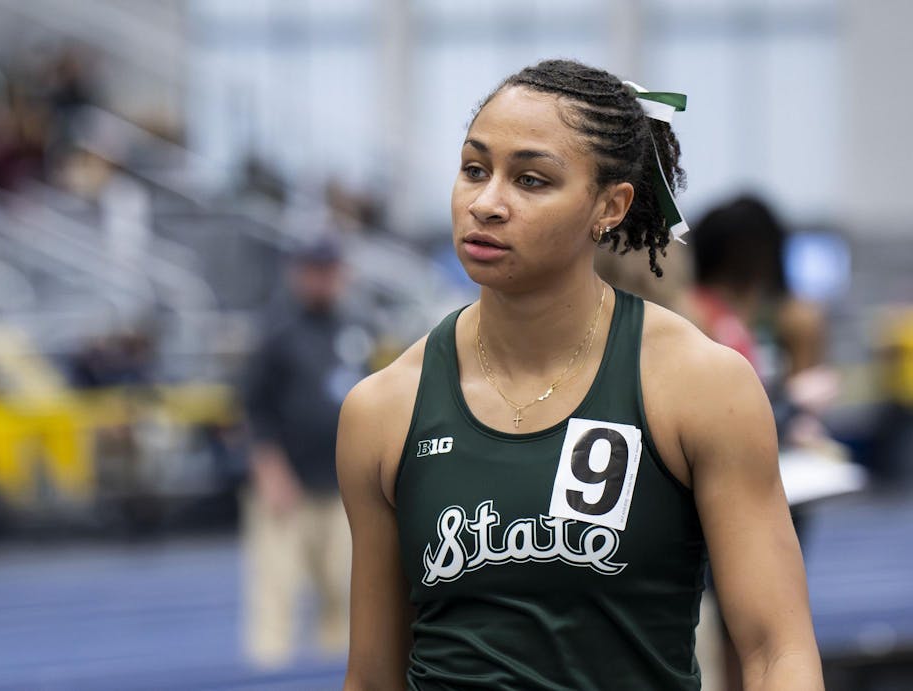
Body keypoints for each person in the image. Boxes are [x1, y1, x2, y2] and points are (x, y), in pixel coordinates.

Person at [337, 59, 823, 690]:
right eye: (474, 169)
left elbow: (777, 652)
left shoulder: (701, 386)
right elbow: (372, 678)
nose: (486, 203)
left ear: (610, 206)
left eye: (531, 180)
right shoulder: (382, 410)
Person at [239, 236, 365, 666]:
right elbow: (254, 410)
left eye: (329, 271)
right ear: (298, 274)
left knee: (344, 590)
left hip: (343, 486)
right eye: (314, 271)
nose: (322, 280)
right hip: (287, 486)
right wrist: (270, 473)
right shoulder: (276, 333)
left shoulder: (356, 331)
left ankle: (336, 675)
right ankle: (269, 673)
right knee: (277, 592)